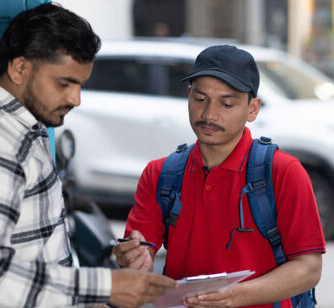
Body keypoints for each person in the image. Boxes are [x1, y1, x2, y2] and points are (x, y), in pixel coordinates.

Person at [0, 3, 176, 308]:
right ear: (19, 68)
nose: (76, 99)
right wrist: (104, 286)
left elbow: (37, 257)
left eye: (80, 85)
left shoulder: (26, 129)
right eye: (64, 83)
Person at [113, 45, 326, 307]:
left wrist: (232, 296)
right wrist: (134, 258)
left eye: (226, 103)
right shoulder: (160, 174)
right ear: (188, 96)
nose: (209, 114)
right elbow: (140, 253)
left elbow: (309, 268)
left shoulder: (284, 172)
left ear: (252, 109)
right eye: (200, 99)